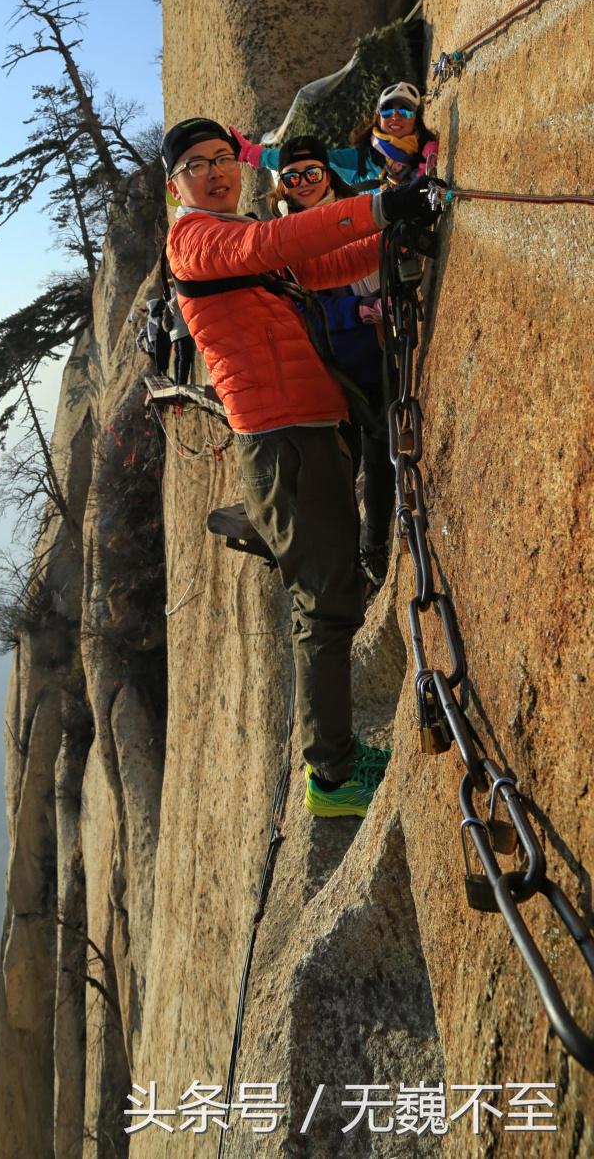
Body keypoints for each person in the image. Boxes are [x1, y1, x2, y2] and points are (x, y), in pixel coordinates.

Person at [162, 117, 437, 818]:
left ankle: (335, 761)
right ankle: (331, 778)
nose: (218, 170)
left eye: (225, 158)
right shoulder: (196, 238)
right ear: (176, 186)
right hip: (282, 440)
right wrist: (382, 203)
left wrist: (388, 238)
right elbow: (279, 241)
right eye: (199, 164)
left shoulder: (233, 237)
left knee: (331, 589)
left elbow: (318, 267)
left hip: (303, 430)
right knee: (325, 601)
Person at [273, 134, 395, 589]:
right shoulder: (281, 239)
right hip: (330, 363)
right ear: (282, 183)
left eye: (312, 172)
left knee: (380, 450)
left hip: (376, 349)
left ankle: (375, 543)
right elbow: (301, 308)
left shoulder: (358, 210)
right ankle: (349, 557)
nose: (303, 183)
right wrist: (359, 310)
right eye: (292, 176)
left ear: (328, 173)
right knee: (345, 464)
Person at [232, 81, 439, 191]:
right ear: (378, 117)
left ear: (416, 118)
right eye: (387, 111)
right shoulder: (358, 160)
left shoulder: (429, 152)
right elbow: (305, 160)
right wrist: (255, 155)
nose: (395, 116)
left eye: (405, 111)